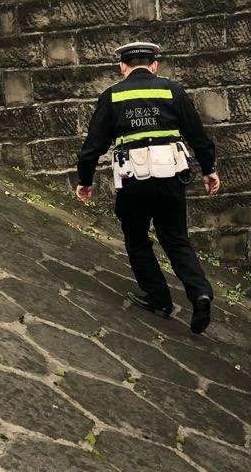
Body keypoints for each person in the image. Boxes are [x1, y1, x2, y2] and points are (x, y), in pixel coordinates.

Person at [75, 41, 220, 334]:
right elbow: (198, 136)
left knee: (137, 239)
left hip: (133, 182)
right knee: (177, 239)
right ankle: (200, 292)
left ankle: (159, 298)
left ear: (123, 67)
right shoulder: (173, 91)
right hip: (172, 178)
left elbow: (92, 148)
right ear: (154, 65)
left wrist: (85, 182)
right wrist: (208, 170)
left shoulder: (112, 96)